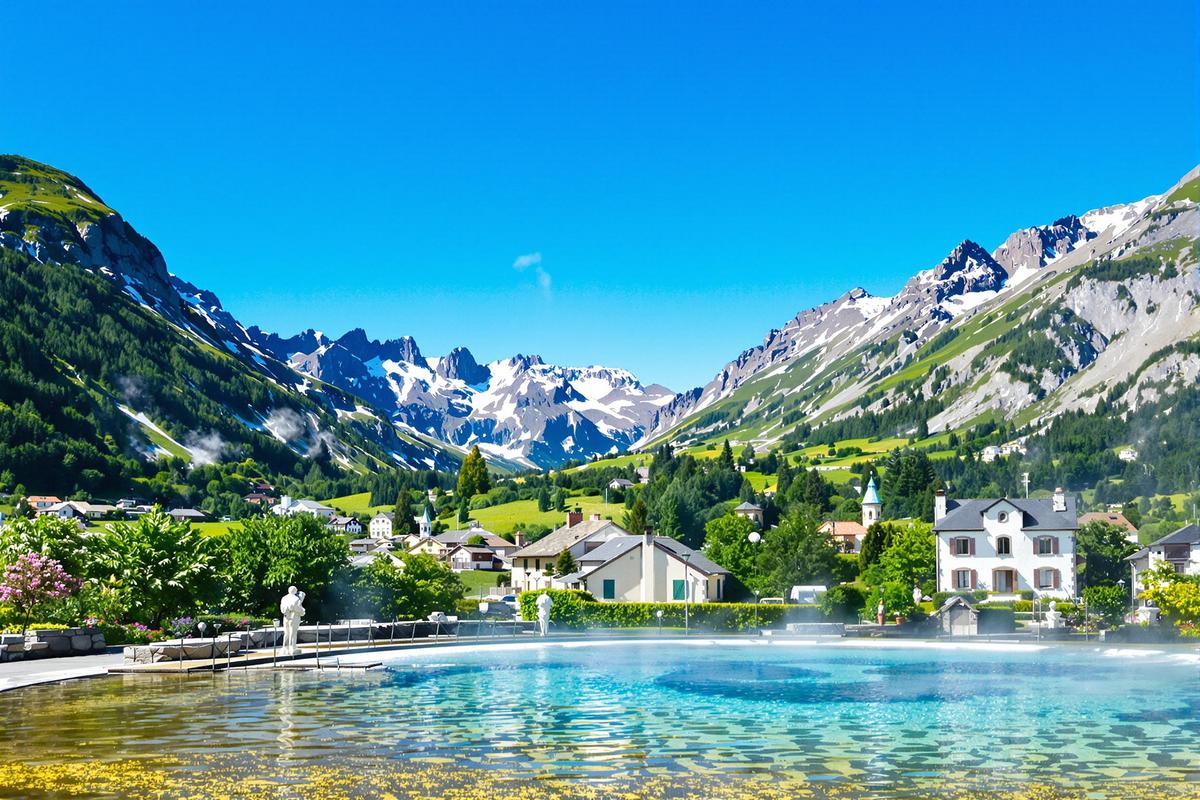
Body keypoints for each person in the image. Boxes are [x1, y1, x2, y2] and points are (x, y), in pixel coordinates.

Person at [280, 586, 306, 655]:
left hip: (286, 617)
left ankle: (285, 648)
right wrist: (303, 611)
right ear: (295, 591)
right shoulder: (296, 599)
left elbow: (282, 608)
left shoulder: (284, 598)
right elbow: (298, 608)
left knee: (286, 632)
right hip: (294, 617)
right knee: (293, 632)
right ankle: (292, 647)